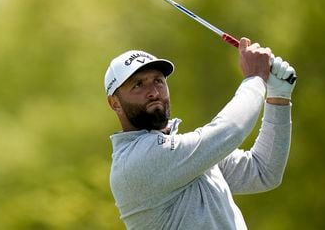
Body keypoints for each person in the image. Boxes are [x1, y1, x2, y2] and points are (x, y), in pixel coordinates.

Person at [104, 38, 296, 230]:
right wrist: (255, 78)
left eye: (158, 81)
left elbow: (262, 172)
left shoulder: (185, 153)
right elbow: (230, 130)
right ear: (115, 103)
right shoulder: (136, 160)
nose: (153, 92)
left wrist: (278, 97)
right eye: (138, 85)